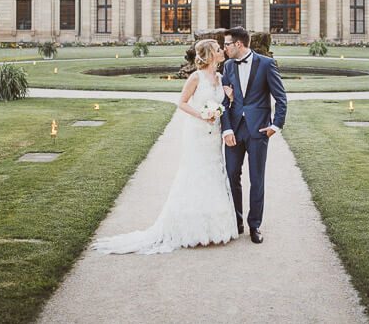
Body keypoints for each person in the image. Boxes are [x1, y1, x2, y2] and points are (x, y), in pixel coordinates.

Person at [93, 39, 238, 254]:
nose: (222, 51)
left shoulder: (220, 77)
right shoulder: (195, 77)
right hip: (197, 132)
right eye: (218, 49)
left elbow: (225, 105)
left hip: (214, 134)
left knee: (214, 172)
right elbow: (182, 102)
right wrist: (202, 115)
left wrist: (231, 97)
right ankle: (190, 227)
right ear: (209, 55)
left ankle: (212, 227)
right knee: (195, 172)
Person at [220, 26, 288, 243]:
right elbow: (223, 101)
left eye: (227, 44)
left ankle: (254, 225)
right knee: (232, 175)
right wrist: (227, 129)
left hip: (258, 131)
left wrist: (275, 126)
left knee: (257, 179)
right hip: (234, 131)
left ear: (238, 44)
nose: (224, 48)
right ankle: (237, 221)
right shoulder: (228, 66)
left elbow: (281, 97)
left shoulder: (266, 64)